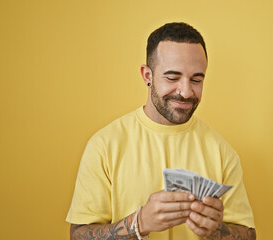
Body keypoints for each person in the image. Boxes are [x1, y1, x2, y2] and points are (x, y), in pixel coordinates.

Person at [66, 22, 256, 240]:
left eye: (196, 79)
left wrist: (216, 231)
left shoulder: (223, 153)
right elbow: (77, 236)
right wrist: (139, 223)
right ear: (147, 76)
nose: (185, 92)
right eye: (172, 78)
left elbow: (249, 235)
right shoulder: (104, 146)